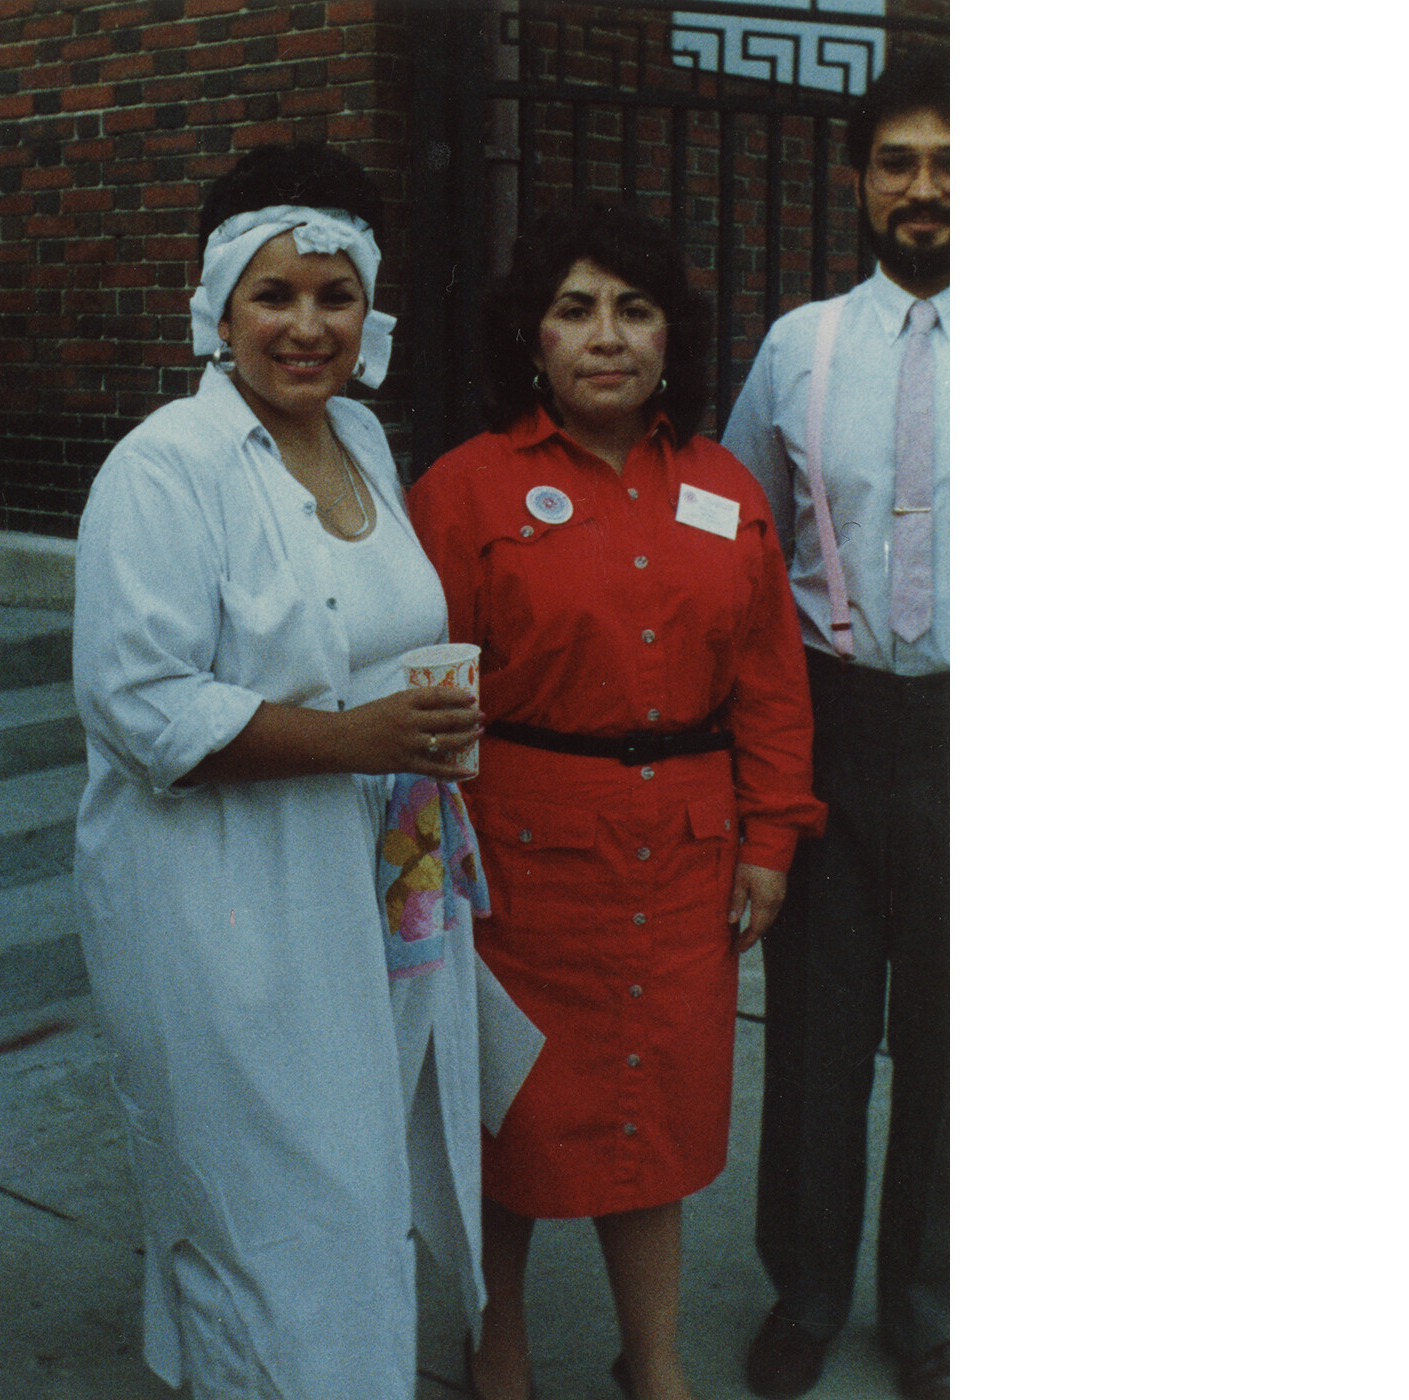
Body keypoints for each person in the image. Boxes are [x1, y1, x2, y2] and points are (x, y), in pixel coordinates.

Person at [72, 142, 490, 1400]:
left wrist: (418, 729)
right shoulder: (166, 465)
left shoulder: (361, 433)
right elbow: (141, 702)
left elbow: (380, 629)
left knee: (362, 1185)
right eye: (275, 294)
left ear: (373, 312)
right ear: (216, 306)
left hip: (377, 872)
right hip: (225, 898)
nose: (308, 326)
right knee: (274, 1199)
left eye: (336, 294)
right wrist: (356, 741)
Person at [409, 205, 826, 1400]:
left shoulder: (724, 487)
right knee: (511, 1122)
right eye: (576, 308)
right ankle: (499, 1343)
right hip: (517, 862)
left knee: (649, 1113)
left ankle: (655, 1359)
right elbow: (425, 695)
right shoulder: (465, 490)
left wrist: (773, 840)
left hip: (683, 857)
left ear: (669, 339)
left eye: (633, 309)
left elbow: (770, 684)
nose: (607, 336)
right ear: (531, 337)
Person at [717, 51, 951, 1400]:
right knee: (814, 1029)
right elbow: (744, 547)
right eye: (902, 162)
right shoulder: (793, 347)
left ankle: (926, 1308)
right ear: (859, 178)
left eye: (953, 165)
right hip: (830, 719)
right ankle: (806, 1289)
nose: (927, 191)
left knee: (956, 1033)